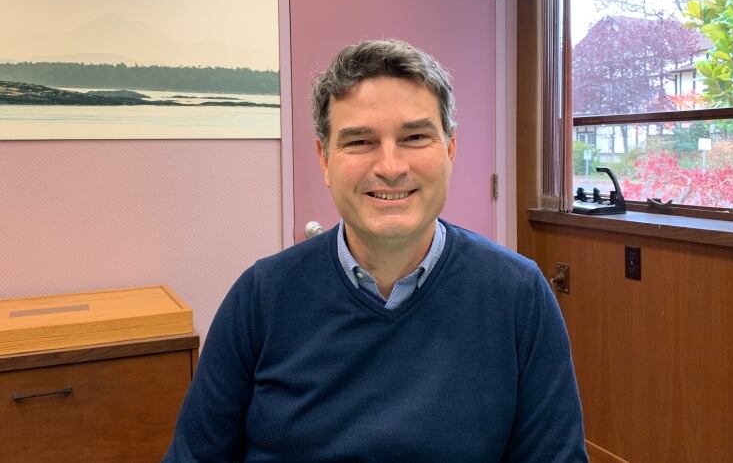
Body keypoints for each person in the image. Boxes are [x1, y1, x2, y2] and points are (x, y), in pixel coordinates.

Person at [164, 39, 587, 462]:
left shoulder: (517, 296)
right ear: (325, 160)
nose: (390, 167)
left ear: (450, 152)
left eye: (416, 136)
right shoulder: (262, 295)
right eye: (360, 141)